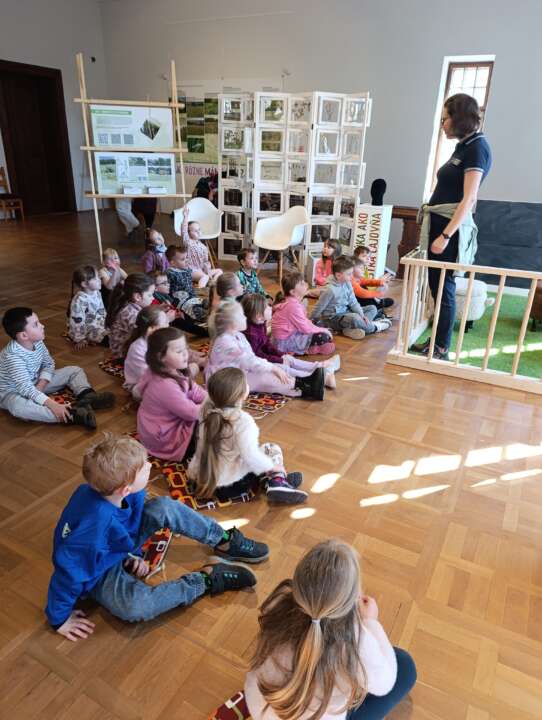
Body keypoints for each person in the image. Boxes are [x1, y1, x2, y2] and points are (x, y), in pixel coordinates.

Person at [45, 433, 269, 641]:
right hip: (97, 572)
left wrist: (132, 556)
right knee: (135, 607)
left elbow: (124, 529)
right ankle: (206, 579)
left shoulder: (119, 492)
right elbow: (68, 572)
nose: (150, 465)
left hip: (111, 548)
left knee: (164, 507)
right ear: (125, 489)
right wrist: (59, 619)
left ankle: (224, 540)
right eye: (144, 467)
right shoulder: (91, 533)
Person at [244, 539, 417, 720]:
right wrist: (370, 622)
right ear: (353, 598)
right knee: (405, 667)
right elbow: (384, 684)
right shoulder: (355, 639)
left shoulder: (278, 600)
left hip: (260, 708)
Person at [412, 93, 492, 361]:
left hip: (449, 231)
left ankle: (441, 348)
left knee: (444, 287)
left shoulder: (477, 148)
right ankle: (437, 340)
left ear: (459, 118)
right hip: (439, 225)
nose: (442, 124)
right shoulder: (463, 146)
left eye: (445, 119)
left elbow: (469, 198)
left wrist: (446, 235)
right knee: (437, 287)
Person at [188, 367, 308, 504]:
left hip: (197, 479)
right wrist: (273, 468)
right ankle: (277, 480)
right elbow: (251, 456)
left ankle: (268, 481)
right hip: (231, 486)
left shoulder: (206, 408)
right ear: (242, 394)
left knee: (238, 454)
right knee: (270, 448)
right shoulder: (242, 422)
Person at [0, 307, 114, 429]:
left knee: (74, 371)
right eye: (36, 324)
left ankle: (88, 397)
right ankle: (72, 415)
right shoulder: (12, 356)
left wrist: (40, 386)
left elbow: (49, 363)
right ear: (24, 335)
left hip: (34, 383)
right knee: (18, 408)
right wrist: (53, 405)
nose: (42, 326)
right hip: (12, 392)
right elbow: (25, 388)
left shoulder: (37, 342)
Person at [206, 300, 325, 400]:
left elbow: (251, 357)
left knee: (275, 368)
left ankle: (305, 379)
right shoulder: (225, 342)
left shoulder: (238, 335)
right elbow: (249, 361)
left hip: (238, 372)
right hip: (224, 384)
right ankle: (303, 388)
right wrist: (273, 368)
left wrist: (274, 367)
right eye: (242, 315)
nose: (245, 317)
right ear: (232, 323)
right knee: (266, 378)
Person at [135, 327, 206, 461]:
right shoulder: (164, 385)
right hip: (165, 439)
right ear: (160, 357)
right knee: (211, 425)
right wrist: (213, 404)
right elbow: (191, 413)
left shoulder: (173, 369)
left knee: (213, 416)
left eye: (185, 349)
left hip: (167, 425)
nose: (185, 354)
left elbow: (195, 390)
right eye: (179, 351)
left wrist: (211, 398)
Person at [241, 293, 339, 389]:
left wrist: (281, 355)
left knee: (289, 359)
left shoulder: (260, 324)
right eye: (267, 307)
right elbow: (258, 356)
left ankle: (320, 366)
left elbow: (267, 345)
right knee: (285, 368)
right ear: (258, 316)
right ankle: (320, 378)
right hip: (258, 365)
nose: (271, 308)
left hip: (264, 360)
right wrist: (278, 360)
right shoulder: (251, 334)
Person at [311, 257, 391, 341]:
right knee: (354, 318)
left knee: (372, 308)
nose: (352, 276)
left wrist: (362, 315)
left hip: (346, 312)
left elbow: (353, 302)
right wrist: (311, 321)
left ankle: (352, 329)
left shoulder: (347, 283)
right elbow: (319, 307)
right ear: (338, 275)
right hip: (333, 319)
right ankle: (375, 327)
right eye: (349, 274)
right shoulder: (329, 290)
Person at [271, 271, 335, 356]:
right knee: (323, 336)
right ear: (293, 292)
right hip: (285, 342)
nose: (305, 284)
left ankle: (312, 346)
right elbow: (306, 329)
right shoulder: (293, 306)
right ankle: (308, 350)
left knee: (318, 322)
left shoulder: (292, 301)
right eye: (301, 283)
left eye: (303, 281)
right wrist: (323, 330)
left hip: (290, 334)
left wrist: (320, 329)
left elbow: (305, 322)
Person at [106, 273, 155, 361]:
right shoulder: (130, 313)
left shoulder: (130, 306)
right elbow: (147, 333)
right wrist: (165, 319)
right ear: (137, 297)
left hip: (127, 351)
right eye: (150, 295)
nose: (153, 298)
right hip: (123, 356)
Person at [122, 305, 169, 394]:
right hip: (142, 383)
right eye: (165, 322)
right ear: (151, 329)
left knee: (192, 367)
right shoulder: (137, 348)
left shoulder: (160, 340)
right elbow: (147, 376)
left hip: (161, 377)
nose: (168, 325)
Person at [151, 270, 209, 338]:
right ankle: (205, 332)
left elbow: (173, 307)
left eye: (168, 282)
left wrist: (179, 312)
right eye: (164, 283)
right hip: (167, 321)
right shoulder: (154, 299)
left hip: (174, 316)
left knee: (186, 314)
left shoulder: (165, 295)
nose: (168, 285)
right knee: (180, 322)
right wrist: (176, 314)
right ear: (155, 288)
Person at [165, 245, 209, 329]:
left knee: (207, 302)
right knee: (198, 312)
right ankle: (208, 317)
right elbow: (165, 290)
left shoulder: (186, 270)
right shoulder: (170, 273)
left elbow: (195, 278)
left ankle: (213, 312)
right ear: (172, 262)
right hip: (182, 302)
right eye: (183, 259)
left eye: (186, 258)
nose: (187, 261)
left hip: (192, 297)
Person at [67, 265, 107, 350]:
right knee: (108, 337)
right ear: (84, 284)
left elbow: (101, 310)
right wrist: (80, 339)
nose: (99, 280)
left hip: (100, 323)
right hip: (88, 329)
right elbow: (77, 321)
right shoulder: (80, 300)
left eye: (98, 277)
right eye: (95, 279)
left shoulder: (96, 292)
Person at [181, 205, 222, 285]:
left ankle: (212, 282)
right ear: (189, 233)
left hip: (201, 270)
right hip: (191, 270)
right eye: (195, 231)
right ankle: (201, 289)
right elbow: (184, 230)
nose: (198, 232)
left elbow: (205, 262)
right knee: (204, 277)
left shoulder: (204, 247)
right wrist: (185, 217)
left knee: (219, 271)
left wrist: (208, 271)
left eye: (199, 230)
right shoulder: (188, 242)